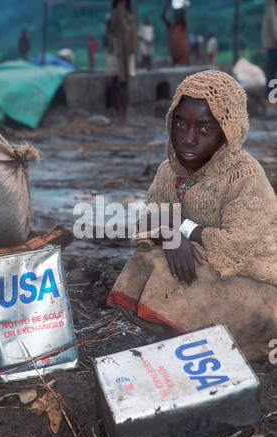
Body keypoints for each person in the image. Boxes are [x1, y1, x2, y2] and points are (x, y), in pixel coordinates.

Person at [107, 70, 277, 361]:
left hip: (255, 283)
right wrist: (171, 236)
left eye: (205, 129)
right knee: (146, 261)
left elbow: (234, 247)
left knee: (185, 279)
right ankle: (177, 327)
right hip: (202, 264)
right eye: (180, 123)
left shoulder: (246, 177)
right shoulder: (168, 171)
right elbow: (148, 218)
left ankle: (221, 336)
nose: (188, 139)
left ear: (229, 130)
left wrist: (182, 229)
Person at [106, 0, 138, 121]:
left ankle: (124, 114)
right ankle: (118, 111)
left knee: (124, 84)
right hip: (115, 51)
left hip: (127, 52)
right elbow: (110, 33)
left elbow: (131, 35)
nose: (121, 4)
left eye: (123, 2)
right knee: (113, 82)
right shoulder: (113, 15)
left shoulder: (130, 16)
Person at [161, 0, 190, 66]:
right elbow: (162, 16)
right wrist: (167, 3)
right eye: (175, 14)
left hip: (182, 55)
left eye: (178, 14)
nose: (176, 16)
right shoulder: (172, 27)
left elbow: (183, 14)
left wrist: (184, 6)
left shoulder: (182, 26)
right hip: (175, 57)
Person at [261, 0, 277, 98]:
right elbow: (273, 21)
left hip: (272, 42)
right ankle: (271, 94)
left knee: (271, 69)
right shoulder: (272, 3)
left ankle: (270, 94)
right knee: (272, 69)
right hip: (274, 43)